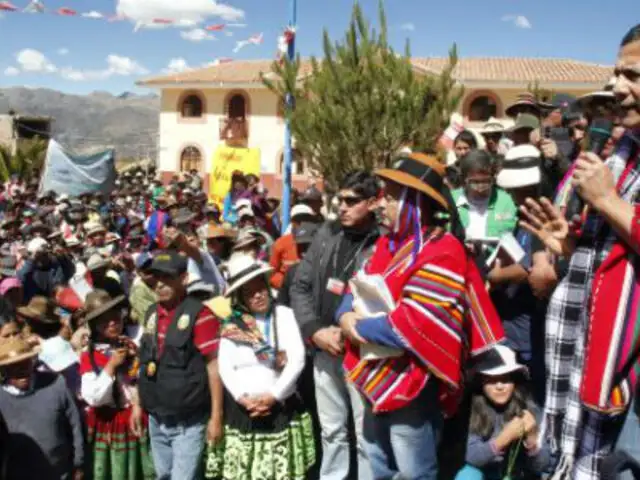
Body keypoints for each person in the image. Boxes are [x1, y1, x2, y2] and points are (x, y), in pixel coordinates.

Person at [519, 24, 640, 479]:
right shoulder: (616, 160)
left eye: (632, 75)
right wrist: (568, 247)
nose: (616, 88)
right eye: (616, 74)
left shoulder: (608, 180)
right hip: (591, 363)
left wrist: (609, 202)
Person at [336, 152, 504, 480]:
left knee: (414, 472)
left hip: (413, 385)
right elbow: (352, 291)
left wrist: (358, 328)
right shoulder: (386, 246)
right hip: (375, 376)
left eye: (391, 196)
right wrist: (345, 318)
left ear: (415, 202)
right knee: (378, 466)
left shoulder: (444, 250)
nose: (379, 204)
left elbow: (414, 323)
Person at [291, 170, 381, 480]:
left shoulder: (383, 242)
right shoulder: (326, 234)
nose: (342, 206)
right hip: (323, 348)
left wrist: (348, 333)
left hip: (362, 353)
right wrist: (315, 331)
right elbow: (300, 287)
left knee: (367, 434)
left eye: (351, 201)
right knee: (330, 431)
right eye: (339, 199)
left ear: (371, 203)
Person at [205, 254, 315, 479]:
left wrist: (274, 395)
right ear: (241, 298)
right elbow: (226, 367)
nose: (256, 296)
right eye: (248, 293)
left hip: (281, 408)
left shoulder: (284, 316)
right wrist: (242, 397)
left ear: (267, 287)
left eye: (259, 289)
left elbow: (297, 359)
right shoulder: (232, 326)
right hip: (243, 409)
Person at [135, 250, 223, 480]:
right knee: (163, 475)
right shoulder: (152, 313)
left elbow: (213, 368)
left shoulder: (201, 314)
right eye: (157, 278)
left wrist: (216, 417)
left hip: (188, 421)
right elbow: (144, 362)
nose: (160, 285)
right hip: (156, 416)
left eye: (168, 278)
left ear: (183, 279)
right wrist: (137, 404)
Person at [79, 290, 154, 480]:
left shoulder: (129, 346)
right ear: (94, 326)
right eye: (105, 320)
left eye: (115, 317)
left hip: (135, 415)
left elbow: (137, 380)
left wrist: (137, 405)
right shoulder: (89, 356)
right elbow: (93, 397)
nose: (112, 323)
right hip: (108, 422)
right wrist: (111, 366)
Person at [455, 346, 551, 480]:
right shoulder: (475, 408)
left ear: (514, 382)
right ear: (481, 383)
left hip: (519, 474)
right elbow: (471, 456)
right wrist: (503, 439)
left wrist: (532, 438)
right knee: (467, 475)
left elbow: (543, 465)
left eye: (505, 379)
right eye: (491, 380)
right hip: (486, 470)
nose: (499, 386)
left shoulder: (530, 408)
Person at [0, 336, 84, 479]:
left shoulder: (56, 384)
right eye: (14, 366)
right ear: (4, 370)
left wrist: (79, 463)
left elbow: (75, 425)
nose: (21, 370)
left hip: (60, 472)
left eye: (25, 363)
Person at [451, 150, 517, 260]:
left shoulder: (508, 201)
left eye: (486, 181)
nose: (481, 187)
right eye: (475, 182)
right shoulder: (451, 201)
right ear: (464, 180)